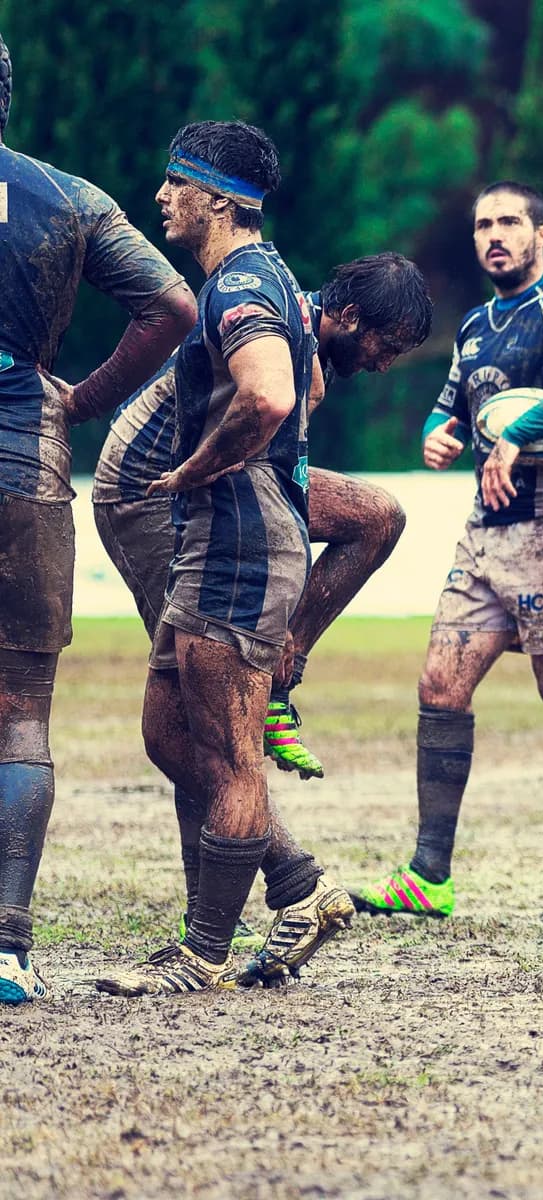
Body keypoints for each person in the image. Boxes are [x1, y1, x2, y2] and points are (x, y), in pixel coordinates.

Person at [93, 253, 430, 980]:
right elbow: (267, 407)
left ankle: (282, 673)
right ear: (346, 316)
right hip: (153, 496)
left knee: (378, 516)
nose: (381, 366)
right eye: (383, 346)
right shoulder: (287, 341)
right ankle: (276, 893)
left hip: (224, 494)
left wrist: (290, 641)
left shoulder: (303, 341)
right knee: (197, 721)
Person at [96, 121, 347, 996]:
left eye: (176, 184)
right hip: (221, 542)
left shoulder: (238, 281)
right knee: (171, 734)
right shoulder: (266, 277)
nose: (161, 196)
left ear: (219, 200)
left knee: (234, 753)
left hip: (240, 545)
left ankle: (201, 957)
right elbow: (306, 381)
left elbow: (274, 392)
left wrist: (202, 463)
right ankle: (302, 888)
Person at [355, 182, 543, 924]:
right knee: (439, 685)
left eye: (510, 222)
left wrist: (520, 431)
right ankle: (428, 876)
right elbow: (452, 406)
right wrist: (436, 434)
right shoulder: (476, 324)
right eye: (483, 225)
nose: (495, 235)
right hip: (485, 533)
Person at [0, 35, 198, 1004]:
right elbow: (171, 303)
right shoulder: (69, 198)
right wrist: (78, 398)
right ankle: (6, 947)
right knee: (21, 715)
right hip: (25, 470)